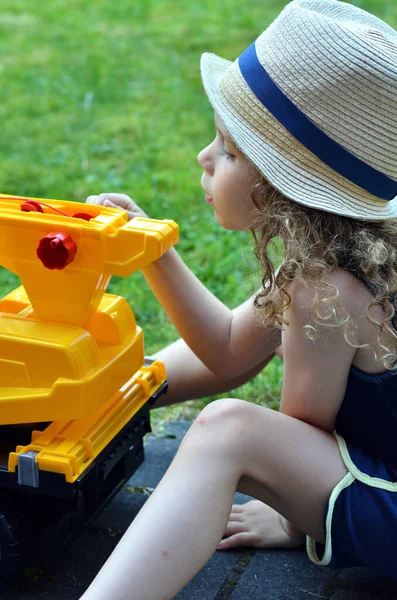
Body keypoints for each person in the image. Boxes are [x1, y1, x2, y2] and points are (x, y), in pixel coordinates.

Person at [81, 0, 397, 597]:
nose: (204, 157)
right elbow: (227, 350)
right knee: (204, 393)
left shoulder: (324, 290)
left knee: (227, 431)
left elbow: (295, 436)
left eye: (227, 150)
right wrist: (154, 253)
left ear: (284, 187)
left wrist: (285, 517)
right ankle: (95, 399)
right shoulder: (347, 248)